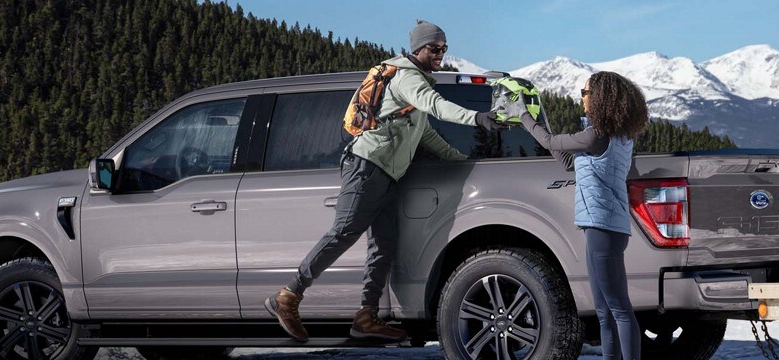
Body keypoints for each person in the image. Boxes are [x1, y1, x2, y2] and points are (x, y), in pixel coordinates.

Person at [265, 19, 506, 343]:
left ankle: (366, 316)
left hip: (388, 174)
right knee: (343, 232)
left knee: (384, 245)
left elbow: (427, 134)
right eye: (435, 48)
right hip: (366, 166)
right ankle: (288, 296)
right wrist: (476, 117)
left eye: (444, 48)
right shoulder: (407, 77)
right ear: (418, 48)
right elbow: (436, 106)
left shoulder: (416, 84)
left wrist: (465, 162)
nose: (441, 53)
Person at [507, 71, 649, 360]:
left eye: (584, 93)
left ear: (600, 98)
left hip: (602, 226)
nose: (581, 98)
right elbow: (569, 162)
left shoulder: (596, 136)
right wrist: (541, 128)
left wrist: (523, 115)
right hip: (607, 227)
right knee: (604, 311)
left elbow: (548, 139)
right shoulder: (616, 137)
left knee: (618, 308)